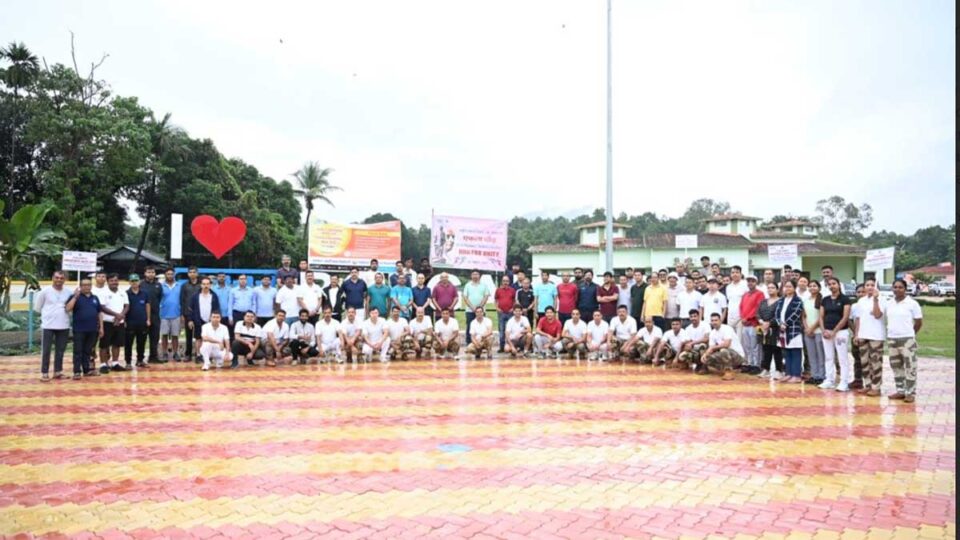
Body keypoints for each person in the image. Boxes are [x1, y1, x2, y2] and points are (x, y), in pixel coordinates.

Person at [885, 279, 923, 403]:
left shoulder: (912, 304)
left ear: (905, 289)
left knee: (910, 366)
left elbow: (918, 322)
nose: (897, 289)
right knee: (896, 366)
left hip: (907, 340)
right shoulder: (889, 303)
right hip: (892, 339)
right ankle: (900, 390)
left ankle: (910, 392)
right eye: (895, 287)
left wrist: (910, 335)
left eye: (900, 287)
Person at [36, 271, 72, 381]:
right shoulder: (45, 292)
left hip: (64, 325)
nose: (59, 280)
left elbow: (70, 307)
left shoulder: (68, 292)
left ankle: (58, 372)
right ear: (52, 278)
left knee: (60, 350)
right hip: (48, 325)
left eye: (61, 278)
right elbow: (38, 308)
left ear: (64, 279)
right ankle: (44, 373)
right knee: (46, 350)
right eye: (57, 277)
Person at [853, 278, 886, 397]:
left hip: (876, 335)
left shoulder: (882, 299)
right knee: (864, 362)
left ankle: (876, 387)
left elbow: (878, 315)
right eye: (868, 285)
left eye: (872, 285)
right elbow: (858, 319)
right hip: (863, 334)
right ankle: (867, 385)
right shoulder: (861, 301)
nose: (870, 287)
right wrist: (856, 334)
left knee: (875, 362)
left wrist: (876, 300)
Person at [65, 278, 102, 379]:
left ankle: (86, 370)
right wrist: (75, 297)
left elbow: (99, 312)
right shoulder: (75, 297)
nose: (86, 287)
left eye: (88, 285)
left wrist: (101, 327)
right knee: (78, 351)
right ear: (80, 286)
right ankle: (77, 371)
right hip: (79, 329)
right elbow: (68, 308)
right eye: (84, 285)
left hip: (92, 329)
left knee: (88, 351)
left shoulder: (95, 298)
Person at [818, 277, 851, 391]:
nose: (832, 286)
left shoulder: (845, 299)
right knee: (828, 357)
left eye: (834, 283)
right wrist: (823, 330)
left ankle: (844, 382)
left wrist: (834, 331)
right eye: (829, 284)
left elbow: (845, 317)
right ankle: (829, 380)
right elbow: (821, 316)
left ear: (839, 285)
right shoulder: (825, 299)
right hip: (827, 332)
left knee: (842, 358)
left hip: (840, 332)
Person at [774, 279, 805, 384]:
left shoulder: (798, 300)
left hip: (793, 330)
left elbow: (796, 314)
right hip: (782, 330)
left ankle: (796, 375)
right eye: (786, 286)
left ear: (794, 288)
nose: (787, 289)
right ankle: (788, 374)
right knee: (786, 352)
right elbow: (777, 313)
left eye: (790, 286)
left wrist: (786, 324)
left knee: (795, 352)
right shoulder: (781, 300)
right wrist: (780, 323)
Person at [98, 273, 130, 374]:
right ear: (107, 282)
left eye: (115, 280)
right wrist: (116, 315)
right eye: (111, 281)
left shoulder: (123, 292)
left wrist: (120, 316)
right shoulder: (103, 292)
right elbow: (102, 307)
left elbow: (127, 306)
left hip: (119, 322)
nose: (114, 282)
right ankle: (103, 364)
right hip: (107, 322)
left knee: (117, 344)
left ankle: (115, 363)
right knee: (104, 345)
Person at [701, 313, 745, 380]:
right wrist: (705, 354)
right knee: (707, 358)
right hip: (726, 355)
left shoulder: (727, 328)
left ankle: (729, 372)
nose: (714, 322)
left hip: (737, 356)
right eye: (712, 320)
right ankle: (721, 369)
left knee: (723, 350)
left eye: (716, 320)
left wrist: (713, 348)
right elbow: (711, 347)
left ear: (720, 320)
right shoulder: (712, 333)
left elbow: (727, 344)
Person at [188, 277, 221, 363]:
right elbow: (190, 309)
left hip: (210, 321)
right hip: (198, 320)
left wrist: (216, 320)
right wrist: (190, 320)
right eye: (204, 284)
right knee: (198, 338)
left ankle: (208, 355)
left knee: (209, 338)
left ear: (210, 285)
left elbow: (217, 309)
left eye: (207, 284)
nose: (206, 286)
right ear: (201, 285)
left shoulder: (214, 296)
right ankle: (198, 355)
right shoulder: (195, 296)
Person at [756, 283, 784, 379]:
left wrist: (769, 323)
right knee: (766, 349)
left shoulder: (781, 301)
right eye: (768, 288)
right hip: (764, 329)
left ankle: (779, 370)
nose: (770, 289)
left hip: (776, 329)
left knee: (777, 350)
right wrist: (761, 322)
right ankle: (765, 369)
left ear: (777, 290)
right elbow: (758, 313)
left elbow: (780, 315)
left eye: (773, 287)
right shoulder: (763, 301)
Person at [738, 275, 765, 375]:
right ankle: (749, 363)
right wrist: (742, 317)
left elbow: (758, 308)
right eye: (749, 281)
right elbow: (741, 307)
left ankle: (757, 365)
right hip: (745, 324)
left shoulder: (760, 294)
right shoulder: (745, 294)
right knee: (747, 346)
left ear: (756, 282)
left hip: (755, 324)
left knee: (756, 346)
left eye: (752, 281)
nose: (750, 283)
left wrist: (748, 318)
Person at [801, 280, 826, 386]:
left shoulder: (822, 301)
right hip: (808, 332)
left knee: (821, 355)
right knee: (811, 355)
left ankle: (821, 376)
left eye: (814, 286)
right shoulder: (806, 300)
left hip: (819, 331)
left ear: (819, 288)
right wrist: (807, 328)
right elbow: (803, 316)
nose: (812, 288)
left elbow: (821, 317)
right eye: (810, 286)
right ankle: (814, 375)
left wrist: (812, 328)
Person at [123, 274, 151, 369]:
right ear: (129, 282)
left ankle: (140, 360)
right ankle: (128, 362)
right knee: (128, 343)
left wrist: (148, 319)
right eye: (132, 281)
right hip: (130, 322)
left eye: (136, 281)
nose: (134, 283)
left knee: (141, 342)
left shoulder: (145, 293)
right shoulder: (126, 293)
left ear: (139, 282)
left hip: (142, 322)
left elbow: (147, 306)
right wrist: (124, 320)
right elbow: (123, 307)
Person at [158, 269, 183, 362]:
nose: (170, 275)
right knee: (164, 335)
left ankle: (175, 353)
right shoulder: (161, 286)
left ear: (174, 275)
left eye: (171, 274)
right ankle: (164, 353)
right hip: (163, 314)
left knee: (175, 335)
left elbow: (182, 299)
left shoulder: (179, 285)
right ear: (165, 275)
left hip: (176, 313)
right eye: (168, 274)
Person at [140, 266, 163, 364]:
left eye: (153, 272)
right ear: (145, 273)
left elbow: (160, 297)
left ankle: (153, 356)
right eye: (149, 272)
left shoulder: (158, 285)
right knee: (142, 337)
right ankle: (140, 358)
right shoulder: (140, 284)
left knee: (155, 337)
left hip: (155, 314)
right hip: (143, 315)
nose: (151, 274)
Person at [462, 270, 491, 345]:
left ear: (480, 275)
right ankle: (469, 343)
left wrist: (479, 308)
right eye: (473, 274)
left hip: (481, 310)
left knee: (483, 326)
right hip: (470, 310)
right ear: (471, 276)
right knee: (469, 326)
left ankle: (482, 343)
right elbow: (465, 297)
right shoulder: (467, 285)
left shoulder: (484, 285)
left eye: (477, 274)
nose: (475, 276)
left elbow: (486, 296)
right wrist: (472, 307)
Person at [179, 266, 201, 361]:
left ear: (197, 273)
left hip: (199, 314)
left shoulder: (201, 285)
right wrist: (182, 314)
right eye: (190, 272)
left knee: (199, 335)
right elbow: (182, 300)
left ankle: (198, 354)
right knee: (188, 335)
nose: (192, 273)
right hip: (188, 314)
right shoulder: (184, 286)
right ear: (188, 274)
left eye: (194, 272)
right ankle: (188, 354)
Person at [848, 283, 866, 389]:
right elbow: (850, 320)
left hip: (869, 336)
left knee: (868, 360)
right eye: (858, 292)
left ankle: (871, 382)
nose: (861, 294)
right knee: (857, 359)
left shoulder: (871, 304)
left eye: (863, 291)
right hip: (856, 336)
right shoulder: (854, 306)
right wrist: (856, 332)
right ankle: (858, 380)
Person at [494, 276, 517, 353]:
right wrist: (497, 308)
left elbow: (514, 301)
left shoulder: (512, 290)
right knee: (501, 330)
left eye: (507, 281)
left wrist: (513, 309)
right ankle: (501, 347)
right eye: (504, 281)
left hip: (510, 312)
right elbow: (495, 300)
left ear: (509, 282)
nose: (505, 282)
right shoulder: (498, 290)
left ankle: (510, 346)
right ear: (502, 282)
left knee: (510, 330)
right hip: (501, 312)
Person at [725, 266, 748, 332]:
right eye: (733, 272)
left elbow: (748, 302)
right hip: (730, 317)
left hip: (741, 317)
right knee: (731, 338)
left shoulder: (745, 285)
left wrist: (744, 316)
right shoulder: (728, 287)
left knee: (739, 340)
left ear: (740, 274)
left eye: (737, 272)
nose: (734, 274)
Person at [212, 273, 233, 341]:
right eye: (220, 276)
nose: (221, 278)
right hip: (216, 315)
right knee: (216, 334)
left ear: (225, 278)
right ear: (217, 278)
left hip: (227, 315)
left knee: (227, 334)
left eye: (223, 277)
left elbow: (231, 303)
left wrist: (230, 316)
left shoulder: (230, 289)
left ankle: (227, 349)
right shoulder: (213, 289)